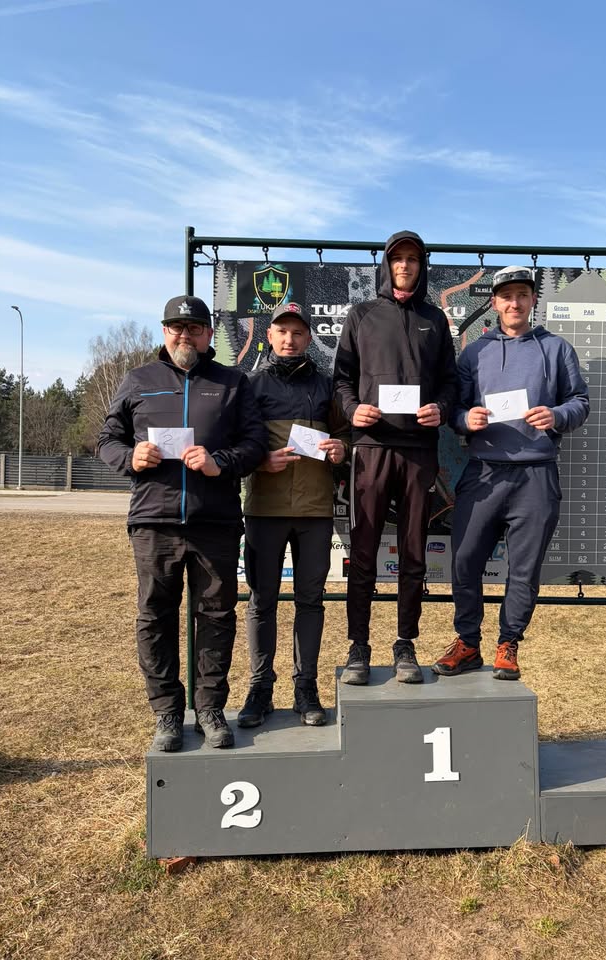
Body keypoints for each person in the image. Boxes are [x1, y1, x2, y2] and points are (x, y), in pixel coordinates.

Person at [98, 295, 268, 751]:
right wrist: (130, 457)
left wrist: (219, 462)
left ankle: (210, 708)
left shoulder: (233, 382)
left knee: (216, 616)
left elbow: (255, 445)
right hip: (154, 520)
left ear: (209, 334)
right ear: (164, 331)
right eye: (176, 327)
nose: (185, 335)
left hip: (215, 521)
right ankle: (168, 713)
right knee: (155, 616)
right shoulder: (139, 380)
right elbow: (107, 439)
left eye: (194, 328)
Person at [432, 266, 589, 681]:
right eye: (506, 296)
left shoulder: (556, 349)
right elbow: (454, 409)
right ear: (495, 303)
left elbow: (580, 402)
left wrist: (556, 415)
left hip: (536, 475)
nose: (514, 303)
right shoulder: (475, 352)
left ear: (533, 300)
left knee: (524, 569)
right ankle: (468, 643)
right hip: (483, 473)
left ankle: (509, 644)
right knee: (464, 561)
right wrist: (466, 420)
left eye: (522, 295)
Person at [333, 230, 458, 684]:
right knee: (364, 552)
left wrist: (441, 408)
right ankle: (359, 646)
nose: (404, 266)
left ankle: (405, 643)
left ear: (422, 266)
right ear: (386, 265)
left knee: (413, 553)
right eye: (397, 258)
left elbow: (450, 382)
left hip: (418, 452)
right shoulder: (362, 315)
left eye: (412, 259)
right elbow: (341, 379)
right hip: (371, 449)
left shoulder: (435, 319)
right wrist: (352, 410)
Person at [237, 302, 350, 728]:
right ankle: (260, 689)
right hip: (264, 510)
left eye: (298, 333)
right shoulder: (251, 385)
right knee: (261, 601)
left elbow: (346, 435)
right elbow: (235, 443)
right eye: (282, 331)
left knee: (310, 601)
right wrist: (259, 460)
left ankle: (306, 688)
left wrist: (342, 450)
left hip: (315, 512)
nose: (290, 339)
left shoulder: (325, 386)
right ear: (269, 336)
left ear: (308, 338)